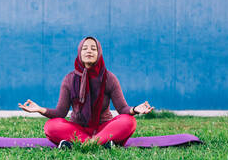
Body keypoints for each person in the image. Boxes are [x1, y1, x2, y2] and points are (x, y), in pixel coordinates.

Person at [18, 36, 154, 149]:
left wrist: (135, 109)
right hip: (77, 129)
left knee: (129, 121)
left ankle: (81, 144)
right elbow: (60, 113)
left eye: (93, 48)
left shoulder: (109, 78)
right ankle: (100, 144)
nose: (89, 51)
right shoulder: (69, 79)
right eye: (85, 48)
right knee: (51, 126)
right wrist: (40, 109)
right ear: (79, 53)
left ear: (99, 53)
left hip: (104, 128)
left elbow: (122, 109)